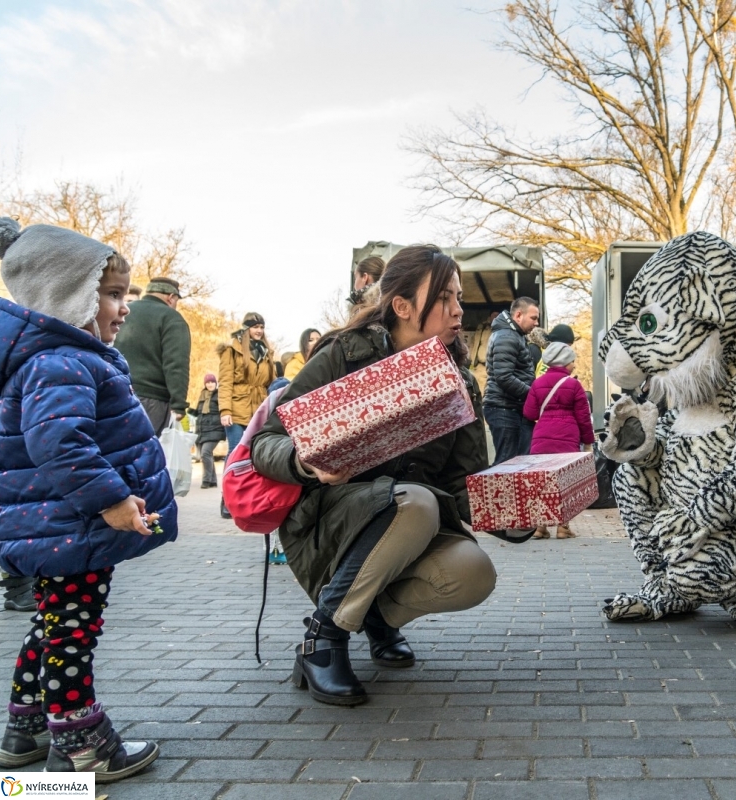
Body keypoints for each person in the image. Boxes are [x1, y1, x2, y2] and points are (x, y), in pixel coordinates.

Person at [250, 246, 501, 707]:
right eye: (445, 298)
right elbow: (264, 444)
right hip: (330, 523)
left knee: (474, 573)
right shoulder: (344, 353)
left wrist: (509, 510)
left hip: (411, 522)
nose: (458, 310)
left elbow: (462, 481)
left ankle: (374, 616)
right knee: (414, 503)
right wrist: (306, 461)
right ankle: (322, 641)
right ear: (402, 307)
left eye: (459, 297)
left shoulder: (460, 380)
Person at [0, 217, 175, 780]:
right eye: (113, 295)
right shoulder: (61, 360)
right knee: (73, 632)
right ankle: (82, 748)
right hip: (71, 526)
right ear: (69, 296)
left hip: (57, 525)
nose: (125, 308)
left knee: (52, 626)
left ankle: (24, 734)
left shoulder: (62, 356)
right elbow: (60, 442)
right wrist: (113, 500)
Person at [523, 342, 595, 539]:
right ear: (564, 363)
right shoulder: (573, 385)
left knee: (541, 483)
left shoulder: (537, 384)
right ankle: (563, 528)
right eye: (572, 361)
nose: (574, 365)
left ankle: (540, 527)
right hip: (567, 439)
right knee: (564, 483)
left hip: (541, 439)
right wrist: (588, 441)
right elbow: (583, 417)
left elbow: (529, 413)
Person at [114, 276, 191, 436]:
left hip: (115, 392)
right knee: (146, 453)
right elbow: (176, 365)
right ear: (171, 297)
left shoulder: (123, 312)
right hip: (152, 400)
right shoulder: (171, 318)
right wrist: (178, 405)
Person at [483, 296, 540, 464]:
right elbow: (504, 376)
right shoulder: (507, 336)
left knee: (516, 463)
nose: (536, 323)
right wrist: (532, 395)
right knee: (507, 465)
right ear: (518, 315)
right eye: (533, 318)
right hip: (504, 409)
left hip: (511, 408)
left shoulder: (514, 335)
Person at [217, 312, 277, 456]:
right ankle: (229, 479)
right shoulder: (231, 350)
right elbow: (225, 382)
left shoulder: (267, 353)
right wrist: (225, 411)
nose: (259, 331)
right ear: (246, 328)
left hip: (259, 409)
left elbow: (272, 383)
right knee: (236, 451)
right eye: (255, 327)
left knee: (256, 453)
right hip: (236, 409)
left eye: (262, 327)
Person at [189, 373, 225, 489]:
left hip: (215, 429)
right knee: (207, 454)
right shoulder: (202, 395)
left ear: (216, 383)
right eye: (208, 382)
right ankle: (213, 481)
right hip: (203, 430)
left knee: (205, 453)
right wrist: (190, 411)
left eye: (212, 382)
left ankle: (206, 480)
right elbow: (200, 413)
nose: (210, 384)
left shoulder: (220, 395)